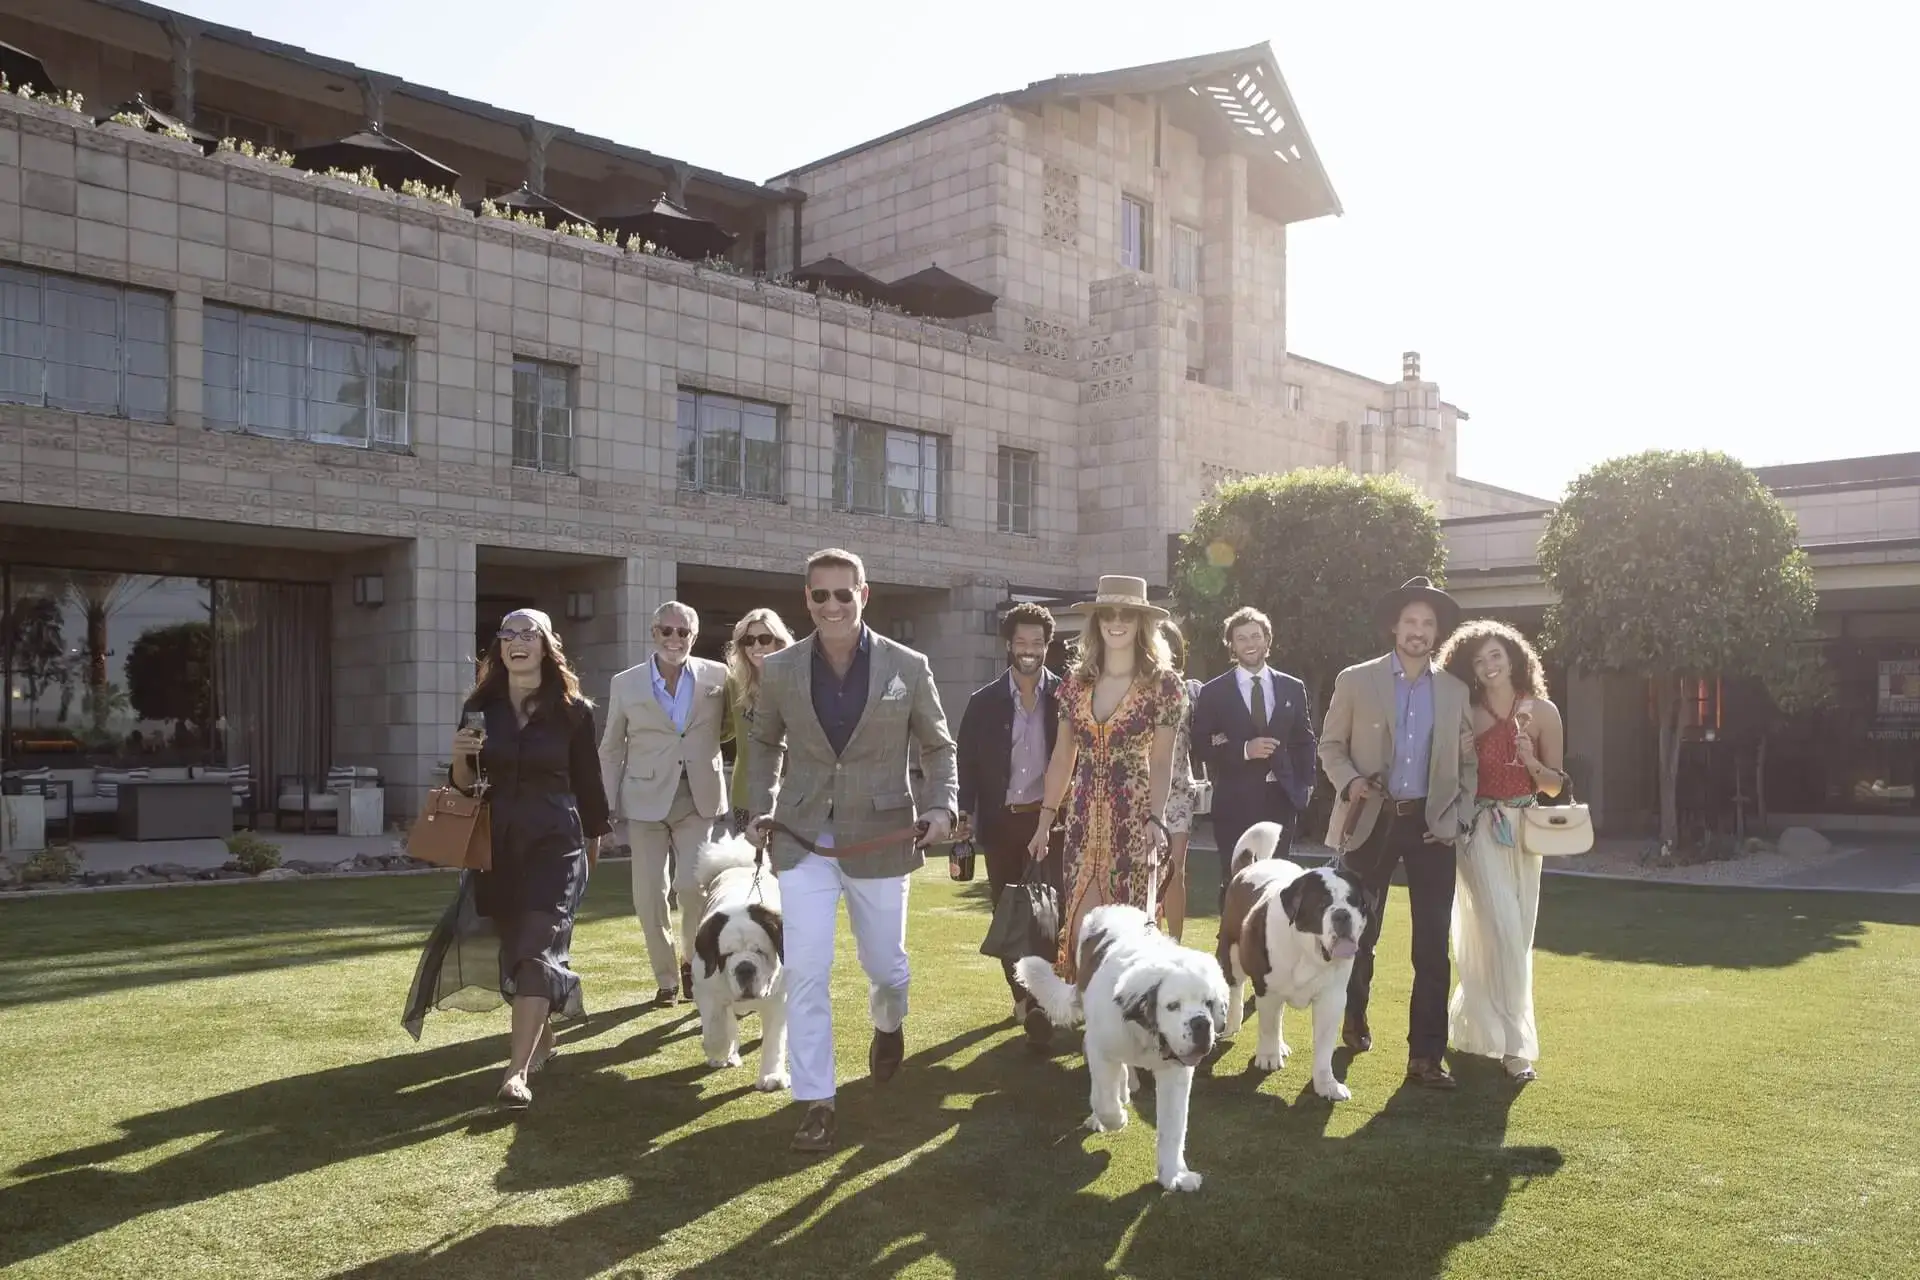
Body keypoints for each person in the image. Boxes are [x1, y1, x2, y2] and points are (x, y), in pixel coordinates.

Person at [747, 548, 957, 1155]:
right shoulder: (781, 669)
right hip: (802, 838)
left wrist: (940, 807)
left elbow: (939, 747)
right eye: (820, 596)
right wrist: (759, 804)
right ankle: (817, 1101)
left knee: (886, 967)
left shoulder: (908, 665)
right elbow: (762, 743)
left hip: (882, 838)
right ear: (806, 599)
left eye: (844, 594)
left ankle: (888, 1024)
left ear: (864, 595)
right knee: (807, 971)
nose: (832, 606)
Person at [402, 608, 611, 1110]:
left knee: (537, 948)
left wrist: (593, 851)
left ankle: (515, 1073)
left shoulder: (574, 710)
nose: (516, 642)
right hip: (496, 846)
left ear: (546, 645)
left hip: (556, 844)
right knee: (513, 947)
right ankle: (541, 1037)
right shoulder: (480, 707)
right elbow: (465, 786)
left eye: (527, 633)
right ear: (499, 648)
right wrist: (458, 756)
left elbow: (589, 787)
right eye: (507, 634)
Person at [1318, 577, 1477, 1090]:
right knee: (1358, 933)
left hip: (1431, 828)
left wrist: (1454, 819)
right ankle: (1352, 1012)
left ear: (1437, 633)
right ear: (1395, 626)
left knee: (1432, 944)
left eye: (1428, 624)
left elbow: (1469, 766)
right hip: (1371, 820)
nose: (1419, 631)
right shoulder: (1356, 680)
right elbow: (1330, 747)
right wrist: (1352, 783)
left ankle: (1426, 1056)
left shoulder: (1455, 692)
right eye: (1411, 621)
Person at [1028, 575, 1184, 982]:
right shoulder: (1075, 685)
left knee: (1127, 931)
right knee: (1082, 928)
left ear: (1141, 623)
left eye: (1126, 615)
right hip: (1081, 820)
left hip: (1133, 819)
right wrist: (1046, 820)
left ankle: (1126, 1017)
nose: (1116, 622)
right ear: (1096, 622)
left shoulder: (1163, 685)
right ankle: (1090, 1017)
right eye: (1108, 614)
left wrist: (1156, 817)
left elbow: (1162, 759)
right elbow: (1063, 757)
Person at [1439, 619, 1568, 1083]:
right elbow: (1449, 775)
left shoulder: (1544, 712)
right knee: (1505, 932)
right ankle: (1517, 1049)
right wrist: (1458, 751)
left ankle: (1476, 1021)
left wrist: (1530, 758)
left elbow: (1554, 787)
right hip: (1478, 831)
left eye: (1495, 655)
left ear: (1513, 656)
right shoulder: (1468, 712)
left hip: (1526, 831)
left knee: (1514, 935)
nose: (1489, 666)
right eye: (1479, 660)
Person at [599, 601, 731, 1006]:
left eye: (683, 632)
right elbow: (610, 747)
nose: (675, 639)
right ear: (654, 634)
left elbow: (728, 728)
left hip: (698, 797)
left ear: (694, 635)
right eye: (667, 631)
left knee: (692, 888)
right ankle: (667, 980)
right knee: (648, 896)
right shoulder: (626, 683)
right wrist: (604, 805)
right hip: (644, 801)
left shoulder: (718, 676)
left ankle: (691, 961)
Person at [955, 601, 1064, 1043]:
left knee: (1048, 917)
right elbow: (966, 763)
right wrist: (964, 813)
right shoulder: (983, 703)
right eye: (1021, 642)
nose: (1029, 650)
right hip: (1001, 824)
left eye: (1037, 643)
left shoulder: (1066, 695)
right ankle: (1024, 998)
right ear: (1008, 645)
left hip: (1051, 824)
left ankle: (1042, 998)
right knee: (1007, 914)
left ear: (1047, 646)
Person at [1189, 606, 1316, 905]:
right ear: (1231, 644)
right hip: (1234, 802)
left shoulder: (1292, 687)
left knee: (1277, 884)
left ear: (1267, 640)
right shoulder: (1214, 692)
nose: (1249, 643)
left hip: (1281, 801)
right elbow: (1201, 744)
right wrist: (1245, 750)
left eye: (1255, 636)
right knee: (1236, 883)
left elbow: (1304, 739)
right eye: (1241, 638)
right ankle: (1230, 948)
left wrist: (1306, 783)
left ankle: (1271, 949)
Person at [722, 608, 795, 835]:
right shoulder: (734, 684)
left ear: (779, 642)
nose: (756, 646)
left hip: (793, 796)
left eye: (765, 639)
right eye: (748, 640)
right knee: (748, 866)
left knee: (789, 868)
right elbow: (722, 730)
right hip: (747, 795)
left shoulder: (798, 682)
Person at [1157, 619, 1203, 941]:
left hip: (1178, 789)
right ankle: (1146, 938)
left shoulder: (1191, 690)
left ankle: (1174, 943)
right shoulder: (1133, 688)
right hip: (1139, 789)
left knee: (1175, 870)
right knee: (1142, 870)